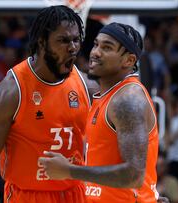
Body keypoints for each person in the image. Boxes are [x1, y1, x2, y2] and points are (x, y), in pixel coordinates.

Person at [0, 5, 99, 203]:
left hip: (75, 194)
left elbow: (109, 150)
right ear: (42, 42)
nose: (73, 47)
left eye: (76, 40)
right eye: (63, 40)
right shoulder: (11, 91)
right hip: (28, 195)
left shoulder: (88, 86)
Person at [39, 22, 164, 203]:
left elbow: (134, 176)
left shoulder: (127, 99)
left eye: (107, 48)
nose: (95, 52)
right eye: (96, 44)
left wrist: (68, 171)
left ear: (128, 61)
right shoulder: (107, 96)